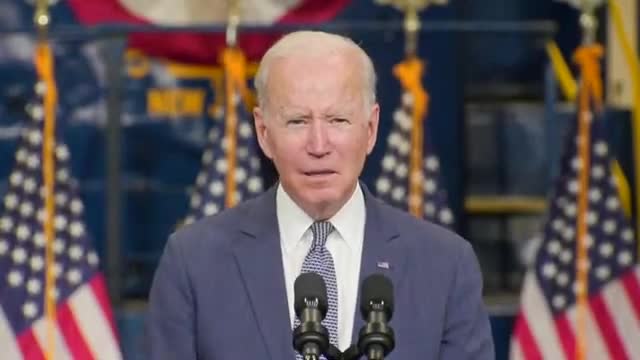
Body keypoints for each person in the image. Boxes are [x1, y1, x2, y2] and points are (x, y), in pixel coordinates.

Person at [146, 30, 494, 359]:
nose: (318, 145)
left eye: (338, 120)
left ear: (370, 129)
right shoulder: (193, 262)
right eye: (297, 121)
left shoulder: (446, 265)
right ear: (264, 132)